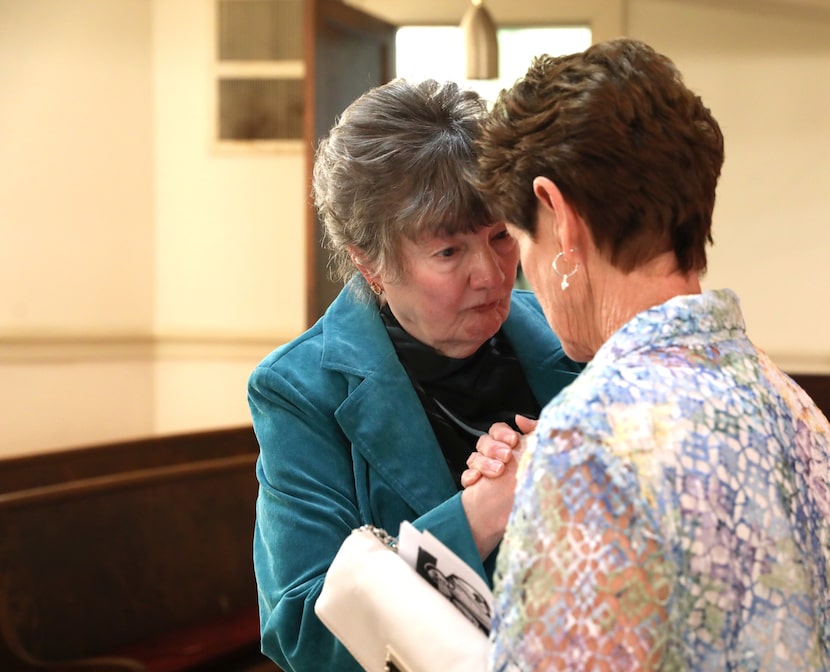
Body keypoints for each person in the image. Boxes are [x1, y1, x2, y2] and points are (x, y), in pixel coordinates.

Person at [465, 38, 830, 670]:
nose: (521, 270)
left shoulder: (588, 443)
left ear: (559, 216)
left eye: (520, 235)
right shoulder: (796, 411)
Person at [248, 78, 582, 672]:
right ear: (368, 261)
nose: (490, 274)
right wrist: (482, 514)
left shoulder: (570, 333)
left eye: (500, 236)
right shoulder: (300, 389)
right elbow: (302, 632)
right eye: (449, 252)